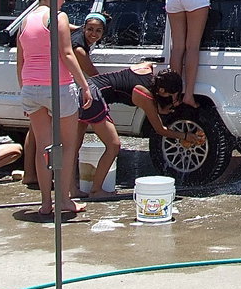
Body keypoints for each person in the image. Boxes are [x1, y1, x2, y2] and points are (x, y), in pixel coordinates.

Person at [17, 0, 93, 215]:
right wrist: (85, 86)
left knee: (43, 146)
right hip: (58, 86)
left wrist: (24, 89)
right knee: (67, 145)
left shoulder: (24, 21)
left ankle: (45, 203)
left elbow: (20, 61)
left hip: (30, 87)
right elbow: (67, 54)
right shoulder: (57, 17)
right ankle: (63, 200)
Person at [76, 63, 198, 196]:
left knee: (73, 146)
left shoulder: (146, 69)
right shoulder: (144, 95)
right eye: (172, 95)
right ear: (162, 91)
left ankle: (71, 189)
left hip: (84, 89)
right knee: (113, 146)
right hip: (94, 97)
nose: (173, 98)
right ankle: (96, 190)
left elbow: (150, 64)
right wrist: (184, 136)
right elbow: (160, 130)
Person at [71, 13, 107, 77]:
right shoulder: (79, 50)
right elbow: (94, 75)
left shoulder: (78, 30)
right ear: (84, 28)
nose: (93, 34)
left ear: (103, 32)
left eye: (98, 31)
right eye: (90, 29)